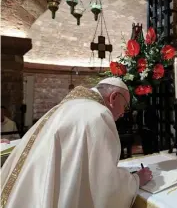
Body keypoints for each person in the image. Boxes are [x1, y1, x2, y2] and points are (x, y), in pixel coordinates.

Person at [1, 77, 153, 208]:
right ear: (113, 97)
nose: (123, 113)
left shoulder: (65, 107)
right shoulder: (98, 114)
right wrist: (136, 179)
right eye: (125, 106)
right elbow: (104, 186)